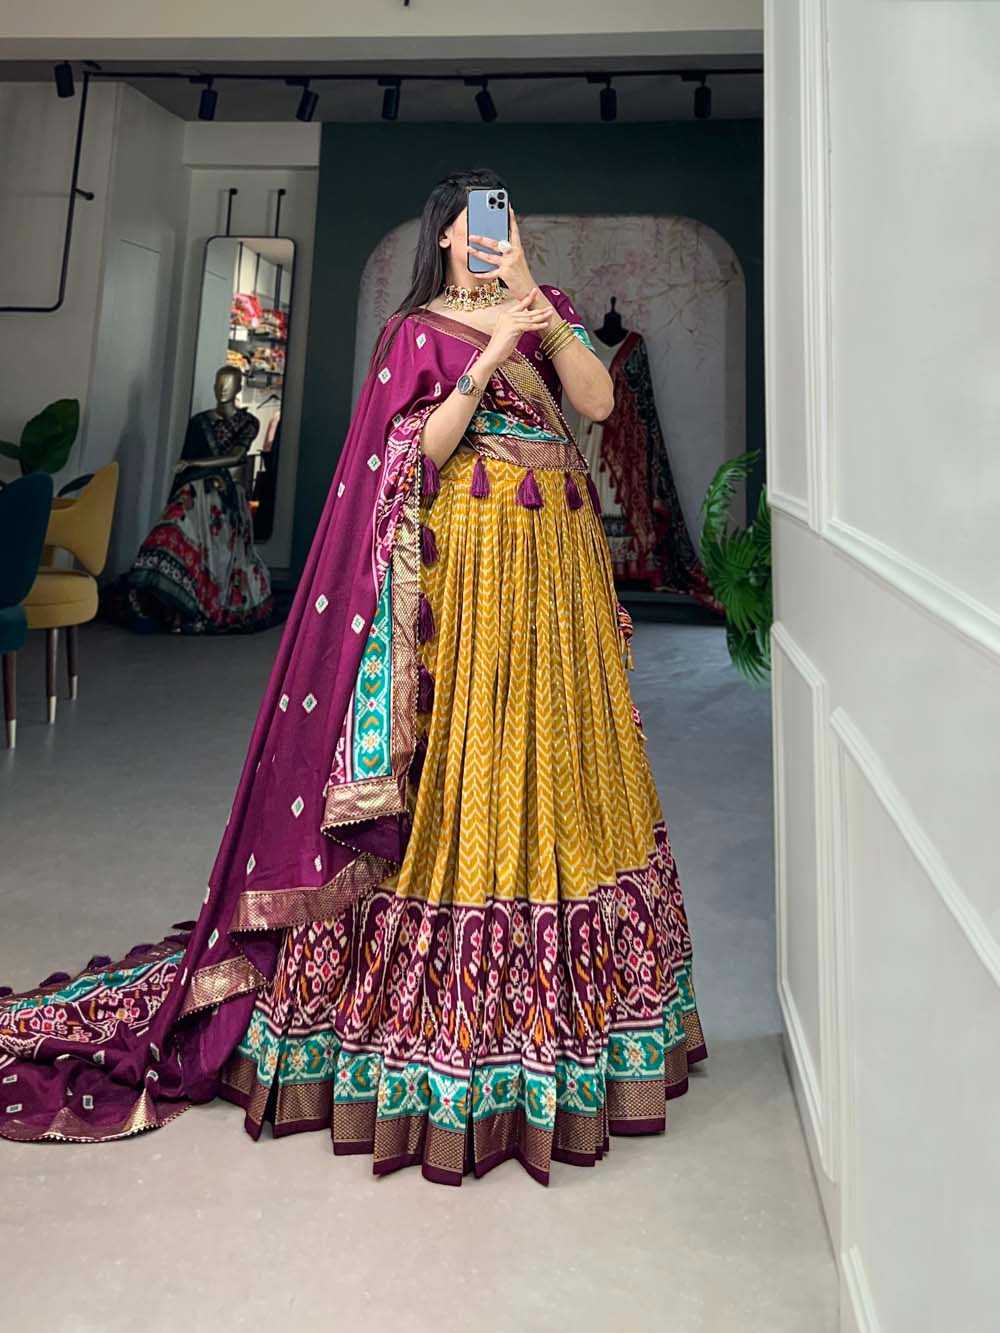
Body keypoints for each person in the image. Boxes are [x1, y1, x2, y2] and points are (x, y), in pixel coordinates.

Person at [0, 167, 707, 1186]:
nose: (492, 237)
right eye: (476, 226)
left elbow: (596, 403)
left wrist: (534, 307)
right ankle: (447, 1044)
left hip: (556, 592)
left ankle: (572, 1028)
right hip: (470, 585)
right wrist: (487, 357)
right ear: (444, 236)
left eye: (505, 222)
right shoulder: (416, 333)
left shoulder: (543, 307)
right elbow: (418, 456)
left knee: (558, 771)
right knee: (463, 771)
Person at [123, 365, 275, 635]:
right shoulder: (199, 423)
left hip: (224, 494)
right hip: (193, 490)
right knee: (172, 529)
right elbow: (186, 462)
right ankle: (167, 594)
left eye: (228, 383)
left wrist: (195, 463)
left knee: (217, 550)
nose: (222, 388)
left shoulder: (248, 422)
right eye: (218, 383)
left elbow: (236, 457)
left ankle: (202, 601)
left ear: (238, 387)